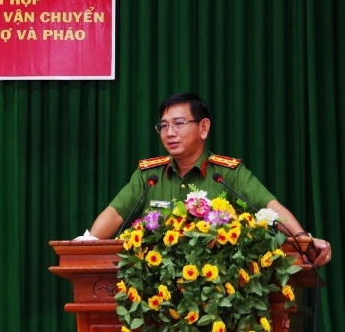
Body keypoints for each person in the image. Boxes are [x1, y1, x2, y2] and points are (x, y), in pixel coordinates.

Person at [85, 92, 331, 266]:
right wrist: (88, 245)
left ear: (203, 128)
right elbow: (114, 215)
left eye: (178, 124)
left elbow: (270, 209)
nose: (170, 133)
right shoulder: (149, 176)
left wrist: (302, 239)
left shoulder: (227, 174)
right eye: (164, 126)